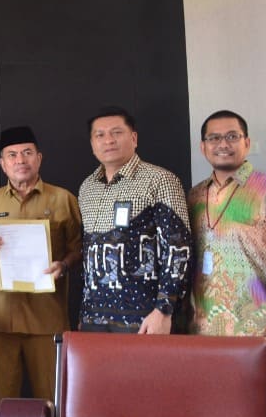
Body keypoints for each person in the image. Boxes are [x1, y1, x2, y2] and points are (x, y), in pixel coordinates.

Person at [0, 126, 82, 417]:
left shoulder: (63, 199)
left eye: (27, 153)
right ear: (2, 163)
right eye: (12, 155)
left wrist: (64, 264)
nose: (20, 160)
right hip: (0, 317)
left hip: (46, 317)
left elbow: (79, 247)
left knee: (51, 399)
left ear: (39, 158)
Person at [188, 110, 266, 356]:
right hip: (199, 334)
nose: (223, 144)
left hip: (256, 336)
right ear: (203, 147)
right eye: (214, 138)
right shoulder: (194, 196)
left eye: (232, 136)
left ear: (247, 143)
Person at [78, 106, 191, 333]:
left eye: (117, 132)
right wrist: (84, 312)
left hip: (144, 317)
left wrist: (164, 309)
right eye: (100, 135)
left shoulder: (159, 180)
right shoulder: (87, 187)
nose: (108, 140)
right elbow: (89, 255)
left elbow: (178, 247)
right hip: (94, 317)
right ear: (92, 143)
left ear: (134, 138)